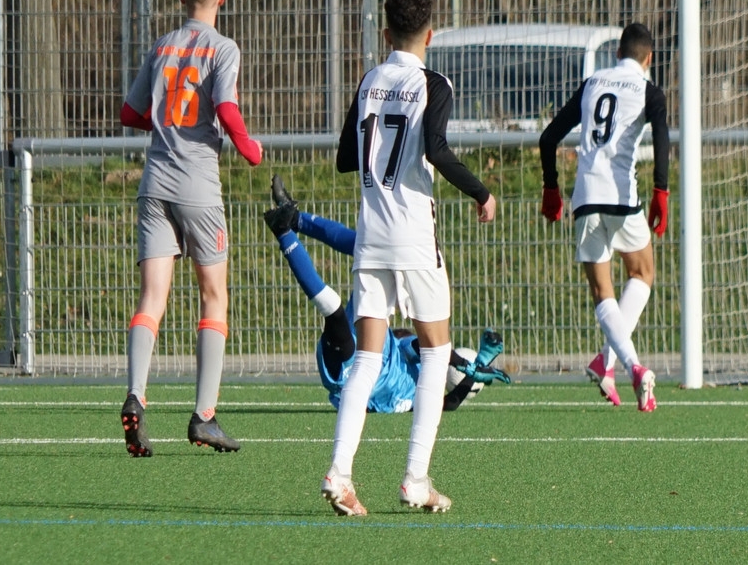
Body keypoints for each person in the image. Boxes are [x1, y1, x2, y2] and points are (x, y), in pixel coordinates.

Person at [323, 0, 497, 516]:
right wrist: (481, 192)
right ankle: (415, 479)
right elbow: (437, 150)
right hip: (415, 237)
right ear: (431, 34)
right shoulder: (433, 83)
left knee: (367, 358)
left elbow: (345, 159)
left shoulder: (369, 80)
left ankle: (340, 473)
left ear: (385, 33)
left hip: (371, 237)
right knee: (436, 352)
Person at [118, 0, 263, 457]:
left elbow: (129, 112)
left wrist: (166, 124)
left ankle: (136, 394)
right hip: (198, 185)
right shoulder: (223, 48)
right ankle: (204, 416)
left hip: (155, 183)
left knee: (151, 297)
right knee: (213, 296)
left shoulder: (162, 45)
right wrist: (249, 148)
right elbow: (226, 107)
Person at [262, 175, 509, 414]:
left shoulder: (422, 392)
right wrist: (471, 364)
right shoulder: (413, 359)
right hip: (363, 341)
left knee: (333, 311)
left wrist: (470, 367)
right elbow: (418, 344)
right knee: (365, 247)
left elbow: (449, 402)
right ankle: (294, 218)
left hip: (348, 370)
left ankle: (284, 232)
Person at [538, 22, 670, 413]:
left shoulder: (592, 83)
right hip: (623, 198)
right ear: (648, 59)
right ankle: (630, 367)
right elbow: (662, 139)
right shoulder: (649, 91)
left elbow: (548, 138)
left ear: (617, 53)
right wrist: (661, 191)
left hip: (585, 199)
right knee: (642, 273)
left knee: (603, 293)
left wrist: (551, 188)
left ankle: (611, 362)